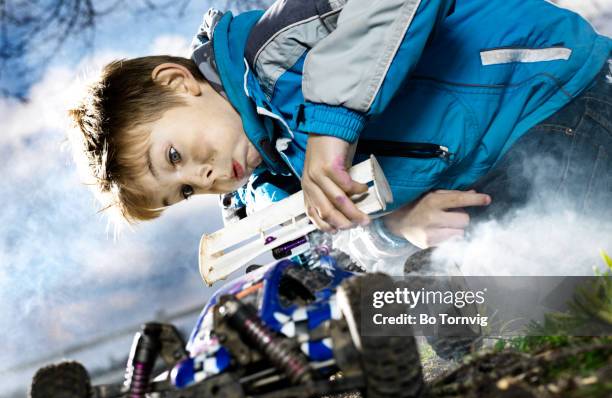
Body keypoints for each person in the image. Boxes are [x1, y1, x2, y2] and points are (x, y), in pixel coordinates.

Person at [67, 0, 611, 265]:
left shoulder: (276, 46)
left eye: (175, 155)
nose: (204, 178)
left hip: (551, 93)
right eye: (184, 190)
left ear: (178, 83)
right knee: (430, 304)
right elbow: (333, 250)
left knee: (571, 247)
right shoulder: (273, 186)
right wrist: (397, 228)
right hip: (490, 171)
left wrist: (332, 126)